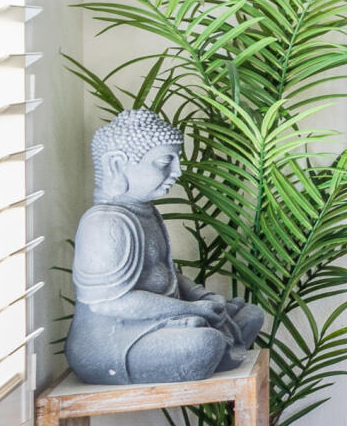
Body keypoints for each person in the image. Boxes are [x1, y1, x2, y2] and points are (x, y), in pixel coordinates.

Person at [65, 109, 264, 383]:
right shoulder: (106, 223)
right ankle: (214, 347)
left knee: (250, 314)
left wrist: (202, 297)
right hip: (112, 344)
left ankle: (211, 343)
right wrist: (191, 311)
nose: (177, 172)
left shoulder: (145, 214)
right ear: (116, 165)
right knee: (205, 343)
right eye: (164, 162)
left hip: (159, 321)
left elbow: (165, 275)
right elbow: (113, 304)